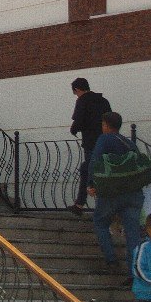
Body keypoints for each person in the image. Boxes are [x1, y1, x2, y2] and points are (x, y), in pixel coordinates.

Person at [87, 111, 144, 277]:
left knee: (100, 222)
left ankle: (111, 260)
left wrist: (91, 183)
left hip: (111, 193)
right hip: (133, 193)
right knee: (133, 232)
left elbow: (95, 161)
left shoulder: (105, 139)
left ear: (105, 125)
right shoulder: (129, 143)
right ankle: (134, 274)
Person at [68, 77, 112, 215]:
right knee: (92, 170)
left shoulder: (82, 101)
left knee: (90, 171)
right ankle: (80, 204)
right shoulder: (103, 101)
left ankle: (86, 205)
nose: (76, 95)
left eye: (75, 92)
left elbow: (78, 121)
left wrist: (73, 130)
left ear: (77, 90)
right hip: (106, 142)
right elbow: (111, 118)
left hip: (91, 142)